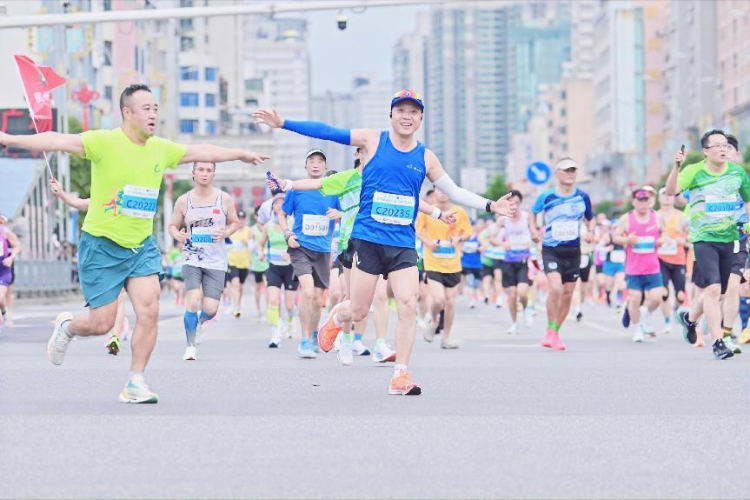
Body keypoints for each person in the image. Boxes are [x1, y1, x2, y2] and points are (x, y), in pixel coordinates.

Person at [0, 83, 269, 403]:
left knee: (149, 309)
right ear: (127, 113)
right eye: (146, 109)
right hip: (101, 246)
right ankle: (68, 328)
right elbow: (57, 140)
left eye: (155, 108)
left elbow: (203, 150)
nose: (153, 114)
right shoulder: (103, 141)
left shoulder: (161, 148)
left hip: (141, 246)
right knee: (101, 323)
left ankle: (135, 381)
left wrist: (241, 153)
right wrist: (8, 139)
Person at [254, 90, 515, 395]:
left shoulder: (426, 157)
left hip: (402, 243)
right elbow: (328, 131)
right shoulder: (372, 141)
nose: (407, 116)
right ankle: (338, 316)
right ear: (391, 115)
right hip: (368, 239)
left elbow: (454, 191)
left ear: (421, 118)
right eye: (401, 110)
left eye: (414, 112)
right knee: (358, 310)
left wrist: (490, 205)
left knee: (407, 304)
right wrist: (284, 123)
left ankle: (400, 375)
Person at [267, 147, 453, 364]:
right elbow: (317, 185)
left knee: (381, 295)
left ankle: (380, 345)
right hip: (351, 243)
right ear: (359, 154)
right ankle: (344, 338)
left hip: (379, 242)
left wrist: (438, 213)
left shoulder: (385, 177)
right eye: (368, 152)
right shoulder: (346, 178)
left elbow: (410, 199)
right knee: (353, 302)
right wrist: (286, 185)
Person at [666, 130, 750, 360]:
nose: (723, 149)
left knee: (721, 292)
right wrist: (676, 166)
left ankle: (689, 319)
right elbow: (672, 191)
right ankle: (718, 342)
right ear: (705, 151)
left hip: (730, 238)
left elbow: (748, 200)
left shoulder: (737, 173)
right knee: (713, 289)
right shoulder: (694, 171)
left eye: (725, 145)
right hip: (704, 239)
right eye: (717, 145)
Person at [49, 178, 132, 355]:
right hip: (100, 256)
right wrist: (61, 193)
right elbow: (78, 203)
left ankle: (114, 337)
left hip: (122, 253)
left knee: (120, 296)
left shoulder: (132, 201)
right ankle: (71, 327)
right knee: (104, 309)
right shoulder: (102, 201)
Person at [168, 161, 239, 361]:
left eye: (209, 170)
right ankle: (190, 346)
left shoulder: (224, 199)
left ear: (214, 174)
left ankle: (200, 322)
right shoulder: (184, 200)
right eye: (200, 169)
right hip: (192, 258)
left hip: (216, 261)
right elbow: (172, 225)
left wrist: (226, 232)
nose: (205, 173)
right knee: (192, 301)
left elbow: (235, 222)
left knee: (210, 309)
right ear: (193, 173)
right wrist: (177, 235)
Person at [278, 149, 342, 359]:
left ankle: (314, 334)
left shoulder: (334, 190)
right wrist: (287, 234)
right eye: (311, 161)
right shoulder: (297, 189)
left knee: (316, 298)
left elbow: (348, 213)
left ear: (325, 167)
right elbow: (282, 214)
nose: (316, 164)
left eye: (320, 161)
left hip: (323, 250)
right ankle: (304, 340)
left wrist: (340, 214)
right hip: (300, 247)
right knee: (306, 291)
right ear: (306, 166)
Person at [531, 158, 595, 351]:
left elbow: (590, 219)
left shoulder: (582, 197)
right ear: (557, 173)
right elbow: (532, 213)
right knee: (556, 289)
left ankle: (555, 332)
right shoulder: (546, 196)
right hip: (551, 249)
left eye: (573, 170)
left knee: (567, 293)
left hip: (573, 251)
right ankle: (549, 329)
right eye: (566, 170)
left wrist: (591, 231)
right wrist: (534, 231)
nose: (570, 174)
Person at [416, 188, 472, 348]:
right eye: (438, 189)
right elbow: (417, 231)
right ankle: (434, 322)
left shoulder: (459, 212)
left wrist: (459, 239)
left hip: (453, 264)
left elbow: (468, 232)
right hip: (433, 263)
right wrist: (428, 243)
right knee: (439, 299)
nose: (442, 192)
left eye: (445, 188)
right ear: (434, 192)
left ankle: (446, 338)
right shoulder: (429, 211)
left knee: (450, 301)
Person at [612, 186, 665, 342]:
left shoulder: (657, 217)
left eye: (646, 200)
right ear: (633, 201)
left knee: (657, 298)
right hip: (633, 269)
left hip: (652, 267)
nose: (643, 204)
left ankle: (644, 313)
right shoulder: (626, 218)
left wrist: (661, 240)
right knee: (635, 298)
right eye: (640, 200)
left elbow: (664, 234)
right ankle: (637, 330)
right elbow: (615, 237)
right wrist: (627, 240)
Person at [257, 194, 299, 348]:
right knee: (273, 300)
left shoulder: (293, 222)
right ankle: (275, 333)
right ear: (272, 207)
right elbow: (260, 243)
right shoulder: (268, 226)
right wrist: (260, 253)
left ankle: (291, 322)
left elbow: (300, 242)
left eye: (282, 203)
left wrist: (290, 253)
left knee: (289, 305)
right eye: (276, 203)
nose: (279, 205)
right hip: (274, 267)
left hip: (290, 268)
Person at [497, 190, 535, 334]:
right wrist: (503, 244)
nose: (515, 206)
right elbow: (492, 238)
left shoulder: (527, 217)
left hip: (523, 260)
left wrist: (532, 241)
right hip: (509, 260)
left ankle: (526, 310)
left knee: (522, 292)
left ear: (521, 203)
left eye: (517, 203)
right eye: (512, 203)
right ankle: (514, 323)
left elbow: (535, 232)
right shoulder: (503, 219)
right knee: (512, 295)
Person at [656, 187, 689, 335]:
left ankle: (676, 308)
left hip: (678, 259)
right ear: (659, 198)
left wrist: (683, 240)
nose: (667, 197)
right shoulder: (655, 216)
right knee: (663, 292)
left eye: (670, 195)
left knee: (680, 295)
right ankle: (667, 321)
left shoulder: (681, 216)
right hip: (661, 258)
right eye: (664, 195)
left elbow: (691, 236)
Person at [227, 211, 251, 318]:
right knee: (235, 284)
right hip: (232, 262)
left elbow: (253, 245)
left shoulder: (249, 231)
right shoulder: (231, 230)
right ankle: (236, 307)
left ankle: (238, 304)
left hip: (244, 263)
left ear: (245, 220)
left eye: (243, 219)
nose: (241, 221)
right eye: (239, 218)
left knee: (240, 286)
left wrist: (246, 243)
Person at [0, 213, 21, 333]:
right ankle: (3, 311)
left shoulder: (5, 232)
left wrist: (11, 257)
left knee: (6, 294)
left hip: (4, 267)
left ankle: (8, 314)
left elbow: (18, 246)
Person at [249, 205, 269, 323]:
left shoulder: (268, 227)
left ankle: (269, 310)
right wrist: (258, 242)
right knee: (257, 287)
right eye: (258, 215)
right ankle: (259, 310)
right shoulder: (252, 230)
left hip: (268, 262)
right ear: (256, 217)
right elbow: (250, 247)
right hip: (257, 263)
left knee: (267, 285)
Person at [460, 219, 485, 309]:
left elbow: (484, 247)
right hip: (466, 264)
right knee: (470, 281)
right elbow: (457, 247)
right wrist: (462, 249)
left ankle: (476, 295)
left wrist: (477, 249)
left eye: (472, 225)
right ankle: (471, 300)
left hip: (476, 264)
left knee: (476, 283)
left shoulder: (478, 237)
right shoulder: (463, 237)